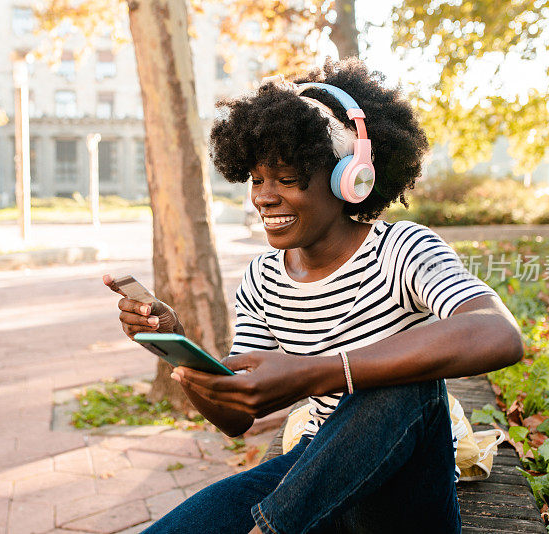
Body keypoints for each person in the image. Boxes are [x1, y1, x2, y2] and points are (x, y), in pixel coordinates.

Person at [103, 57, 523, 534]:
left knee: (405, 379)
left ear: (350, 180)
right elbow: (237, 419)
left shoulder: (403, 249)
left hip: (400, 493)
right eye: (257, 180)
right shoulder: (262, 278)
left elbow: (499, 333)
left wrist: (314, 373)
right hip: (315, 471)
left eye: (286, 179)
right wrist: (181, 351)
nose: (264, 197)